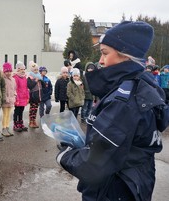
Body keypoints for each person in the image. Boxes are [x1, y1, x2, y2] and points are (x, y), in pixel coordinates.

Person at [57, 21, 169, 201]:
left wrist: (65, 154)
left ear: (126, 56)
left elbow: (95, 163)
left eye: (104, 53)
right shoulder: (144, 86)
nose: (100, 61)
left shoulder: (124, 101)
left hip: (114, 189)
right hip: (135, 183)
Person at [12, 61, 29, 132]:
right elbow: (15, 89)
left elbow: (26, 88)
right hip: (18, 98)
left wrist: (28, 96)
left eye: (24, 69)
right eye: (21, 69)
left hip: (24, 97)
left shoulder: (25, 77)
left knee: (21, 111)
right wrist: (16, 98)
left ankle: (20, 123)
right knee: (17, 111)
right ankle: (15, 124)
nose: (23, 71)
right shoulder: (15, 77)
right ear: (18, 69)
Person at [27, 61, 45, 128]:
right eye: (34, 70)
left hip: (38, 96)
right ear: (32, 70)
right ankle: (31, 121)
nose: (36, 71)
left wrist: (42, 81)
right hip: (33, 96)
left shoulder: (39, 77)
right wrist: (35, 81)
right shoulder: (30, 78)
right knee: (32, 109)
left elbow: (43, 86)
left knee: (35, 109)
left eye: (37, 69)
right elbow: (30, 86)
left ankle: (34, 120)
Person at [1, 62, 16, 137]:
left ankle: (7, 127)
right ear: (4, 71)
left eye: (10, 71)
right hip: (5, 100)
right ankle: (4, 128)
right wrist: (5, 98)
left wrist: (14, 95)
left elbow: (14, 89)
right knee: (5, 114)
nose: (8, 73)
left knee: (9, 114)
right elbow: (2, 89)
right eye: (7, 71)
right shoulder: (3, 79)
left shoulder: (13, 79)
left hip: (11, 100)